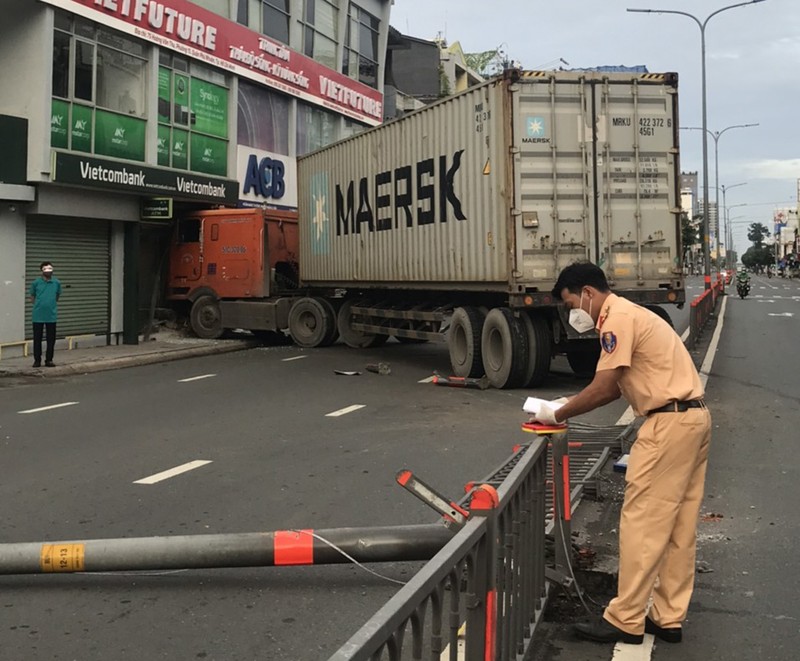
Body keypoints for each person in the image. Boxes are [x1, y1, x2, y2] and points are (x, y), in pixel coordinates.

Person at [533, 262, 711, 646]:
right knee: (678, 526)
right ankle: (667, 617)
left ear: (588, 294)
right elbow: (615, 389)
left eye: (570, 305)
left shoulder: (616, 319)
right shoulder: (634, 314)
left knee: (642, 524)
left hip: (667, 425)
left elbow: (603, 387)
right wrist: (568, 402)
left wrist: (557, 412)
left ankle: (626, 618)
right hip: (693, 418)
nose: (572, 314)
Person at [29, 261, 62, 368]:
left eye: (50, 269)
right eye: (46, 269)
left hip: (51, 316)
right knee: (37, 338)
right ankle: (37, 360)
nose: (48, 271)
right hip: (38, 316)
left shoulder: (56, 282)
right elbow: (32, 297)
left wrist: (50, 305)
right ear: (42, 270)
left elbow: (57, 296)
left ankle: (49, 360)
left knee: (51, 339)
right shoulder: (36, 283)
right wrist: (39, 305)